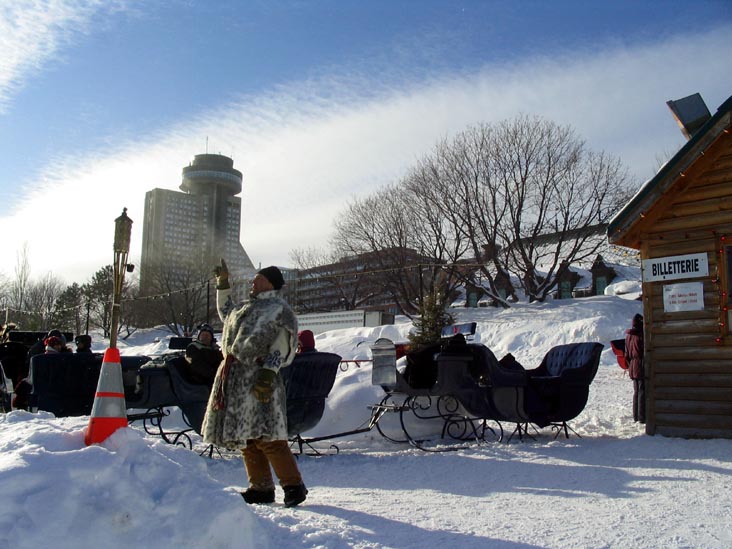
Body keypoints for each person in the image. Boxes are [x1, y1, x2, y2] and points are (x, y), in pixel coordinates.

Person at [201, 260, 307, 507]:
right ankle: (260, 488)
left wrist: (269, 373)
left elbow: (282, 344)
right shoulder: (245, 307)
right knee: (246, 437)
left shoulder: (280, 310)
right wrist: (223, 284)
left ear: (271, 283)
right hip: (235, 379)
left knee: (267, 436)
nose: (253, 282)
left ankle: (293, 486)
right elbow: (226, 312)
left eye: (258, 278)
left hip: (259, 377)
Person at [183, 324, 224, 388]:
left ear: (211, 337)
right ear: (199, 336)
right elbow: (196, 364)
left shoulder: (215, 349)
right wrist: (214, 374)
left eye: (207, 335)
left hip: (216, 377)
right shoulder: (193, 347)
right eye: (203, 335)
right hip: (198, 380)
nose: (205, 337)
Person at [625, 313, 645, 424]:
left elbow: (626, 354)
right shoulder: (641, 335)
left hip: (632, 365)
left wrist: (629, 364)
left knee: (636, 391)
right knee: (642, 391)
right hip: (640, 364)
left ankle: (636, 416)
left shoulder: (629, 336)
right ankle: (642, 417)